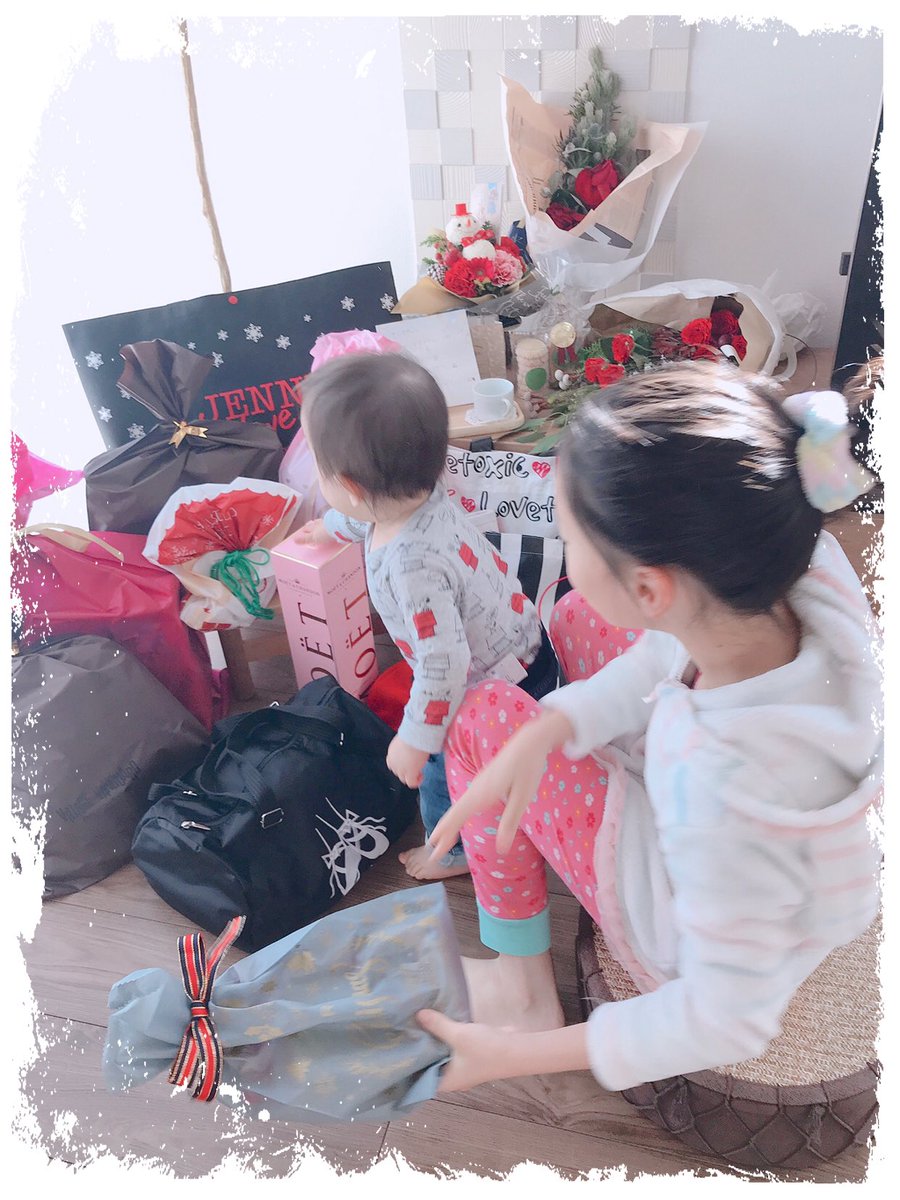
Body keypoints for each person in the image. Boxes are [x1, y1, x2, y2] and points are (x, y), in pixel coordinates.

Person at [416, 361, 882, 1096]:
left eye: (570, 540)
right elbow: (665, 649)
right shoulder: (802, 562)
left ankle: (523, 995)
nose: (568, 557)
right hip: (793, 867)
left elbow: (725, 1020)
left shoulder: (716, 784)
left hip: (679, 929)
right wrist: (554, 727)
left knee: (481, 717)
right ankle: (566, 735)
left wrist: (505, 1059)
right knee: (575, 618)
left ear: (648, 588)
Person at [295, 352, 559, 881]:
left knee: (443, 766)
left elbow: (444, 665)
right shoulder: (421, 493)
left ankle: (451, 852)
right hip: (527, 645)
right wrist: (330, 528)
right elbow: (369, 518)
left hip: (485, 686)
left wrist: (417, 739)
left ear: (349, 485)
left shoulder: (410, 565)